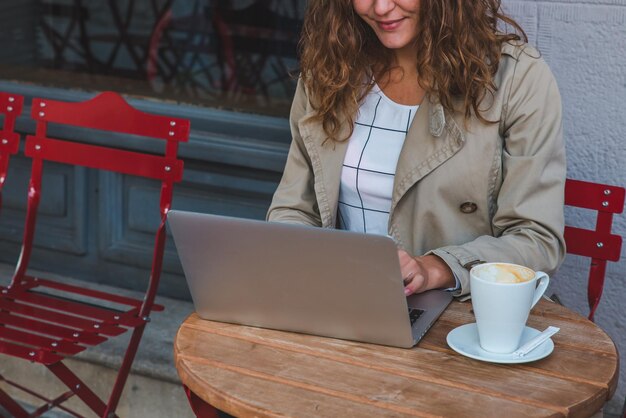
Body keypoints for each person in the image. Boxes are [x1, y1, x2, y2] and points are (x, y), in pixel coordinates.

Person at [267, 0, 566, 297]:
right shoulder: (330, 69)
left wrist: (434, 268)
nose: (381, 8)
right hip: (340, 300)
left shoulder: (514, 78)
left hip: (462, 312)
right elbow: (294, 209)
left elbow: (536, 238)